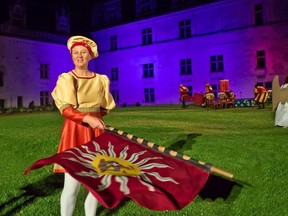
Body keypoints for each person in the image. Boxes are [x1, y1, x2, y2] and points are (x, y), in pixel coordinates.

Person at [51, 35, 116, 216]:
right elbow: (66, 110)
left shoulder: (100, 79)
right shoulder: (67, 78)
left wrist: (97, 119)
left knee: (96, 184)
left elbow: (103, 108)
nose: (79, 56)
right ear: (72, 55)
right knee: (72, 186)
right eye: (76, 53)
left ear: (90, 55)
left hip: (96, 133)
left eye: (83, 52)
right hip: (75, 132)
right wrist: (89, 119)